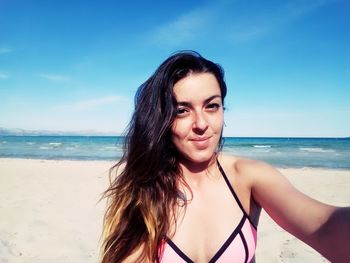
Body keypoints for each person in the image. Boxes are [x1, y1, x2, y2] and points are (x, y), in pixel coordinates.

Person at [100, 51, 349, 263]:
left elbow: (324, 224)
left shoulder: (247, 177)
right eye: (182, 111)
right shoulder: (143, 190)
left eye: (212, 106)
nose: (201, 124)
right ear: (161, 119)